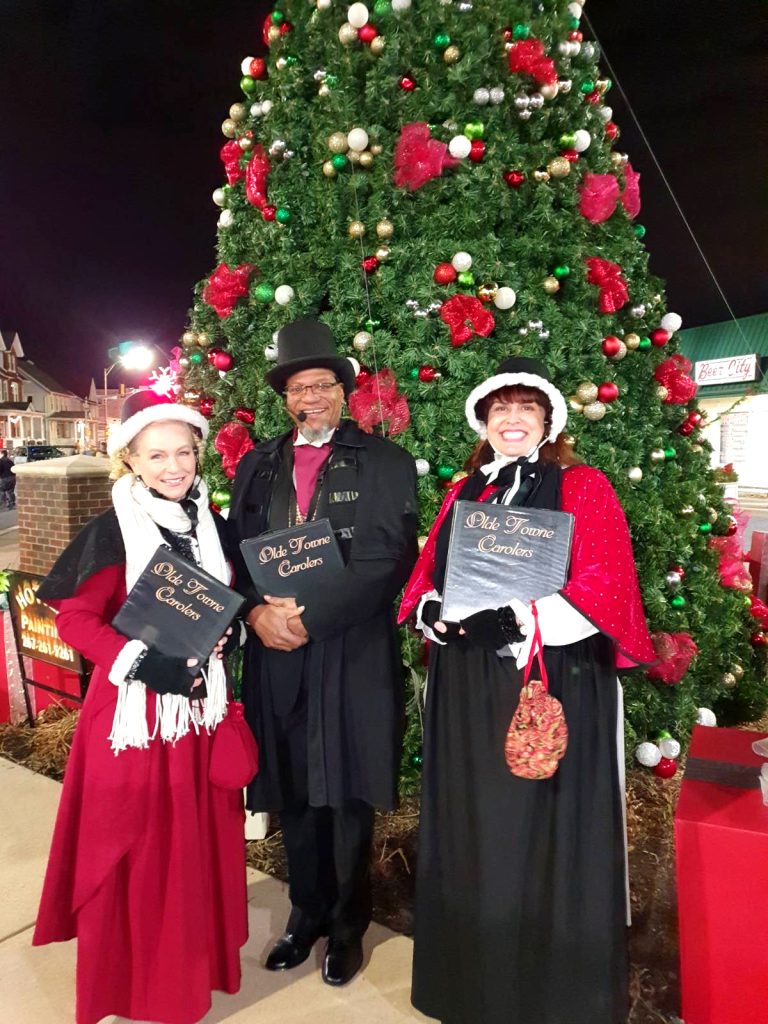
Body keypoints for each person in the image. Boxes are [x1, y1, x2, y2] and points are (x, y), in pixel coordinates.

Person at [399, 357, 655, 1024]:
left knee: (535, 828)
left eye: (526, 408)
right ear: (484, 422)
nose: (512, 420)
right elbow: (433, 572)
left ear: (547, 420)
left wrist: (515, 618)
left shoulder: (583, 485)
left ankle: (543, 995)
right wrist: (434, 610)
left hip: (549, 677)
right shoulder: (465, 490)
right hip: (468, 683)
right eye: (500, 409)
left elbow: (603, 587)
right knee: (476, 823)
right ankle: (473, 986)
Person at [33, 390, 248, 1024]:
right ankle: (139, 987)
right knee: (139, 846)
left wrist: (228, 633)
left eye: (184, 451)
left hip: (198, 713)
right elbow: (74, 619)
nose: (173, 466)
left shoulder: (211, 522)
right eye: (157, 455)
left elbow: (222, 606)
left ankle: (191, 971)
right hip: (136, 718)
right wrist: (138, 661)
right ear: (130, 457)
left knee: (195, 847)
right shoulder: (111, 530)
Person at [230, 317, 418, 986]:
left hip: (349, 650)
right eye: (298, 388)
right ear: (285, 398)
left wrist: (313, 619)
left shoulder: (386, 463)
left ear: (344, 390)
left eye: (323, 385)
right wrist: (256, 612)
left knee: (344, 796)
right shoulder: (257, 465)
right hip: (275, 654)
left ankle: (345, 927)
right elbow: (235, 555)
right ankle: (304, 914)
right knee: (294, 790)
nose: (311, 398)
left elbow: (388, 558)